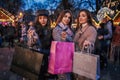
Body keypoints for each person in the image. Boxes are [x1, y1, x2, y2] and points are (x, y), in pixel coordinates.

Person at [52, 9, 74, 80]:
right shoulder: (56, 29)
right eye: (65, 16)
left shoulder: (70, 30)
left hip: (70, 57)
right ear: (61, 17)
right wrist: (64, 38)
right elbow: (59, 44)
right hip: (61, 60)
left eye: (69, 17)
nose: (67, 19)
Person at [34, 9, 53, 80]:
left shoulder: (50, 30)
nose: (43, 20)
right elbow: (29, 45)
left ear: (47, 19)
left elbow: (51, 46)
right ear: (37, 19)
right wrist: (32, 38)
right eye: (40, 18)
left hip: (46, 60)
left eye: (45, 18)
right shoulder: (33, 29)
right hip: (36, 60)